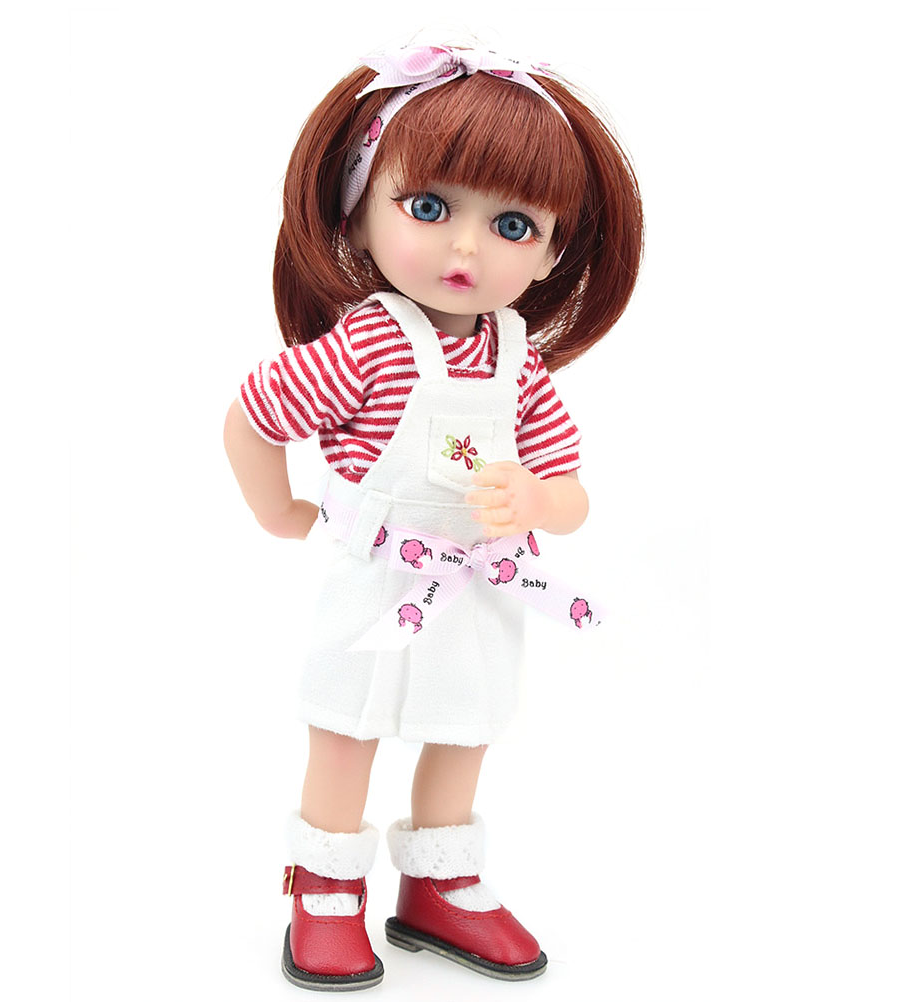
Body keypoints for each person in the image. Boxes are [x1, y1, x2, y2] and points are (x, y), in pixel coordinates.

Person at [223, 43, 643, 990]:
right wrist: (279, 510)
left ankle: (440, 883)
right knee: (348, 728)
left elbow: (571, 491)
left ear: (552, 249)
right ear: (358, 210)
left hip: (481, 588)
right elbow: (253, 416)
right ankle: (326, 888)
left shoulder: (517, 360)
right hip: (380, 582)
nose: (467, 250)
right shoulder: (368, 344)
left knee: (463, 728)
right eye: (428, 208)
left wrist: (535, 500)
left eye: (512, 224)